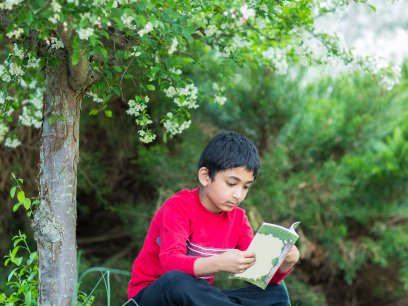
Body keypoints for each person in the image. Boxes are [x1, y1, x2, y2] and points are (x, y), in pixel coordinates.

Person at [128, 131, 300, 306]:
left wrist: (285, 263)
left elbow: (256, 275)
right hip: (154, 295)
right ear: (205, 176)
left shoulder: (238, 219)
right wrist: (218, 263)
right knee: (177, 281)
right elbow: (170, 264)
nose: (238, 195)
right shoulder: (178, 207)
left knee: (275, 293)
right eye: (231, 184)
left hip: (198, 297)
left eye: (246, 187)